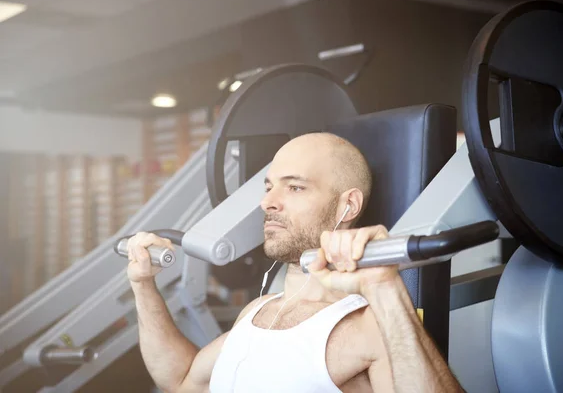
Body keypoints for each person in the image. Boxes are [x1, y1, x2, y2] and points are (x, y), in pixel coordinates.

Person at [126, 132, 463, 393]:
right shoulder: (257, 312)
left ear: (348, 206)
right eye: (270, 187)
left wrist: (384, 288)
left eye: (296, 188)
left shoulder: (365, 326)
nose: (267, 202)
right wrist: (143, 285)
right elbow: (182, 381)